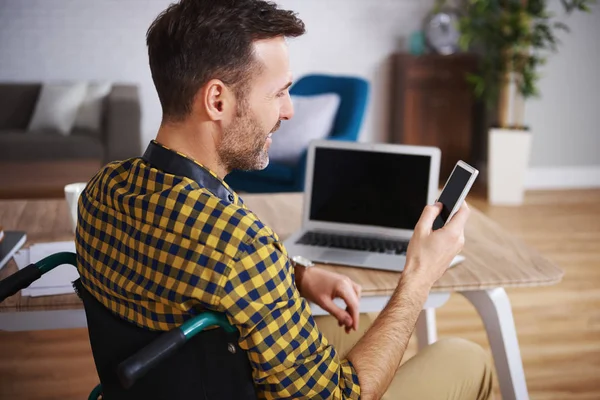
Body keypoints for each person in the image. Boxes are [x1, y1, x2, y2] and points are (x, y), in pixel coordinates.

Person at [76, 0, 494, 398]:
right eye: (278, 93)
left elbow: (192, 267)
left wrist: (297, 274)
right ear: (217, 100)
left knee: (358, 323)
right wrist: (419, 275)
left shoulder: (101, 191)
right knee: (467, 358)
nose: (289, 110)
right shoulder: (240, 246)